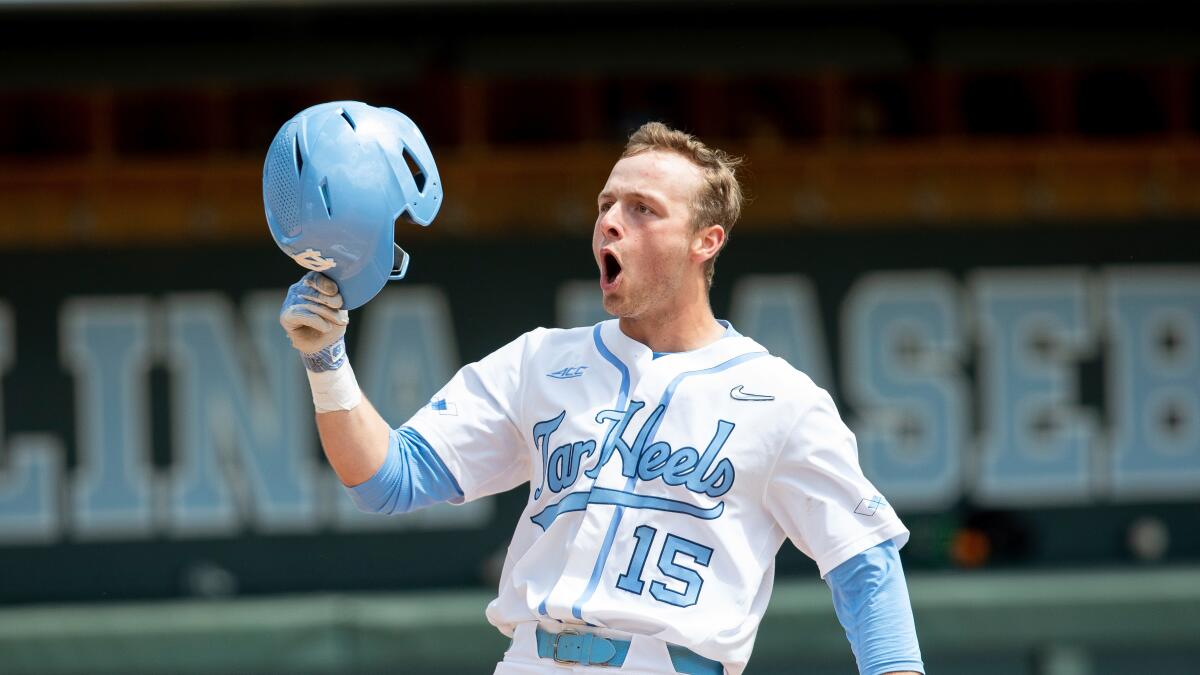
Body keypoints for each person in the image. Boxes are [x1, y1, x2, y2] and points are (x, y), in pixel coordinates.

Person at [279, 122, 924, 675]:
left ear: (707, 241)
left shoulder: (781, 401)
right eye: (606, 204)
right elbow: (386, 480)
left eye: (643, 208)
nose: (610, 222)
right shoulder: (538, 360)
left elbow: (865, 567)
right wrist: (326, 359)